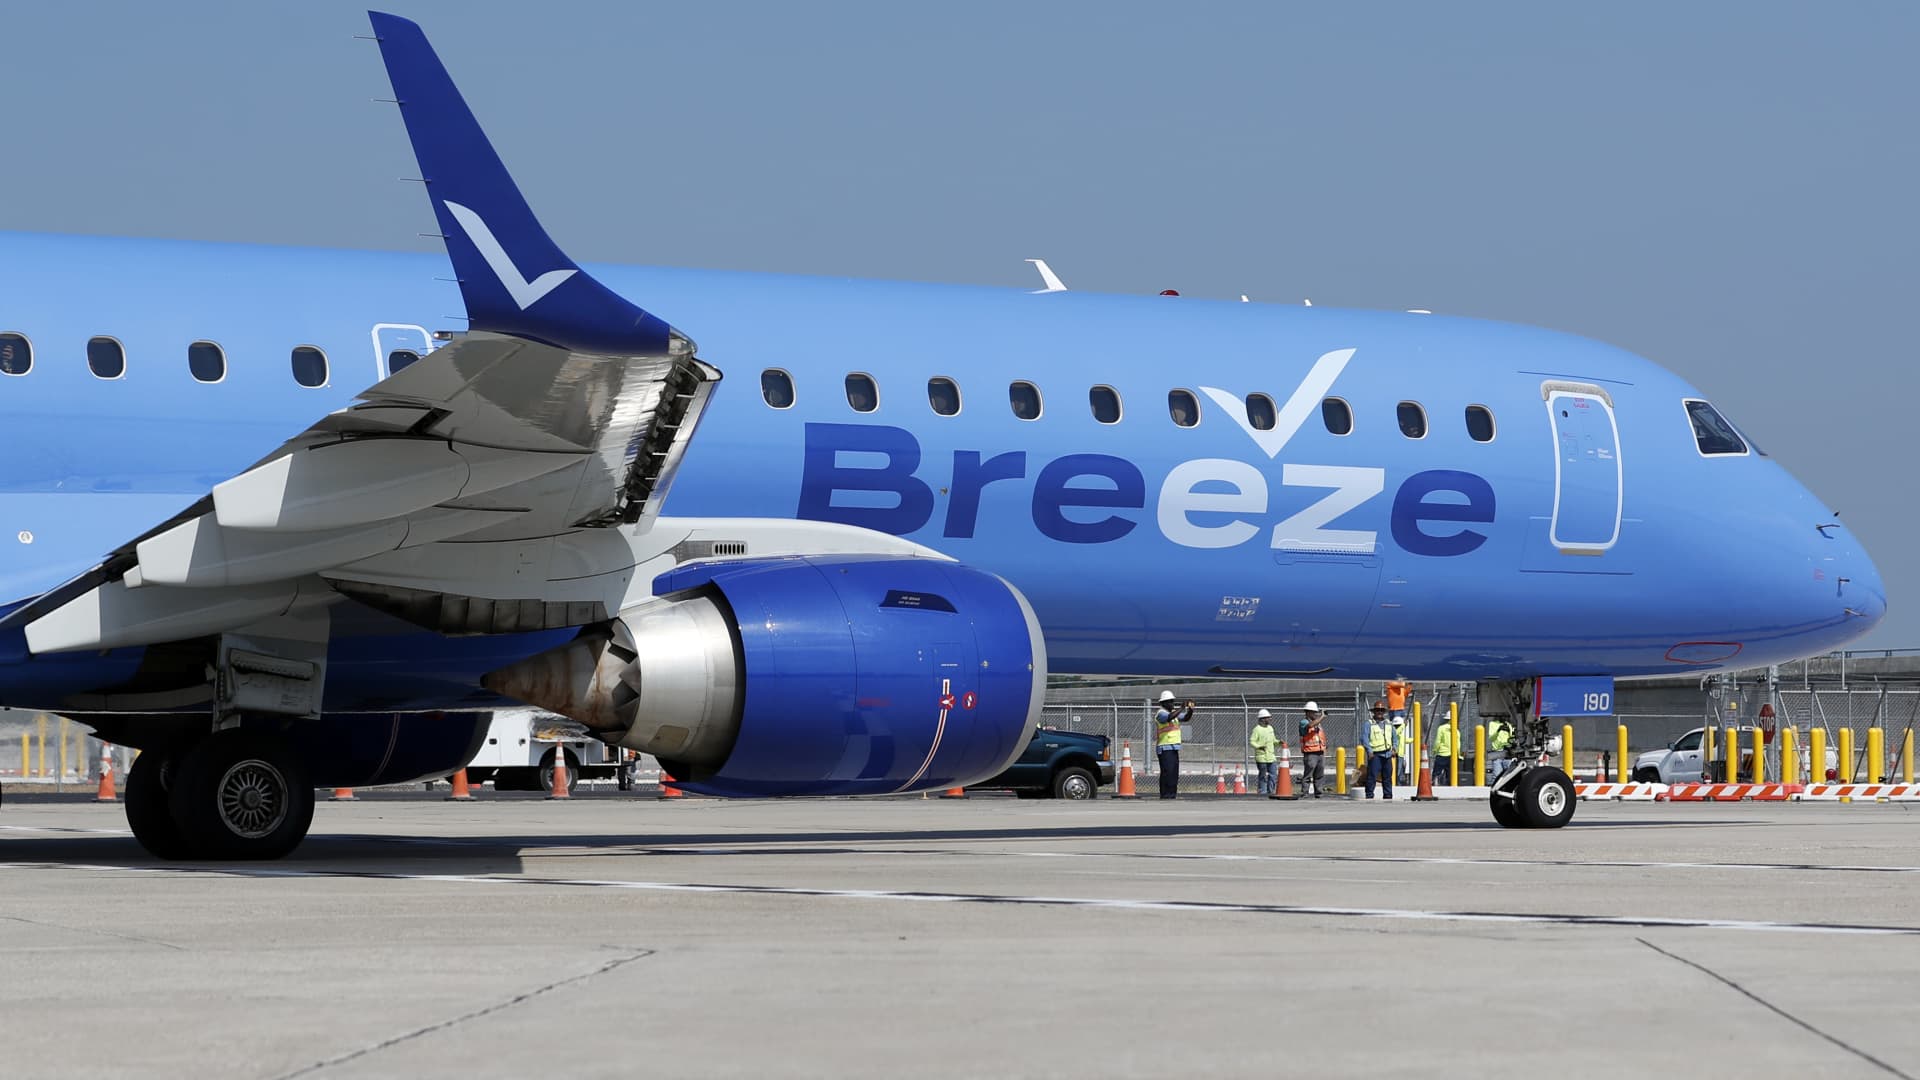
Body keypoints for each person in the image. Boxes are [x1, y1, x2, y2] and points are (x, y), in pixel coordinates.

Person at [1154, 690, 1193, 799]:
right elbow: (1169, 717)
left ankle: (1172, 794)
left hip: (1173, 747)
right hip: (1165, 748)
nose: (1172, 703)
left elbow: (1185, 718)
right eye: (1170, 701)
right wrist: (1181, 708)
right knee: (1167, 772)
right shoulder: (1160, 713)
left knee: (1173, 773)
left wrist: (1190, 710)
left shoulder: (1174, 713)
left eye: (1172, 701)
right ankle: (1165, 794)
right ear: (1163, 703)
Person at [1363, 701, 1395, 799]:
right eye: (1377, 710)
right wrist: (1369, 751)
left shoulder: (1389, 723)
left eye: (1381, 710)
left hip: (1387, 754)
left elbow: (1395, 738)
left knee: (1387, 777)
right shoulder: (1369, 724)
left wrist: (1394, 748)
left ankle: (1388, 795)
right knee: (1372, 776)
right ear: (1374, 712)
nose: (1379, 712)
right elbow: (1364, 739)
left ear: (1384, 712)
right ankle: (1369, 795)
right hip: (1375, 755)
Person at [1300, 702, 1327, 797]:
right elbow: (1310, 725)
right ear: (1308, 712)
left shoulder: (1318, 724)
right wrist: (1322, 717)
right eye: (1314, 712)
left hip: (1320, 752)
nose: (1316, 714)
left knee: (1319, 774)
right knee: (1308, 774)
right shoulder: (1304, 722)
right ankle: (1305, 792)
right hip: (1310, 753)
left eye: (1316, 712)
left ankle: (1318, 792)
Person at [1249, 710, 1278, 796]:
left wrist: (1279, 742)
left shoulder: (1270, 728)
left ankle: (1271, 791)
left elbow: (1273, 741)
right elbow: (1252, 741)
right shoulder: (1257, 729)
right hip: (1261, 757)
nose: (1269, 719)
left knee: (1273, 775)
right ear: (1262, 719)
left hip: (1271, 757)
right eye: (1267, 718)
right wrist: (1259, 747)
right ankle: (1263, 793)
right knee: (1263, 776)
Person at [1431, 711, 1455, 786]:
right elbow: (1458, 744)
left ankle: (1435, 781)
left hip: (1442, 753)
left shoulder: (1441, 728)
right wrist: (1458, 754)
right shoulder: (1455, 730)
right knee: (1450, 774)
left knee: (1436, 771)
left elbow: (1438, 741)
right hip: (1452, 754)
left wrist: (1435, 750)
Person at [1487, 716, 1514, 781]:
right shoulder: (1493, 724)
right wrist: (1498, 730)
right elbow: (1491, 738)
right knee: (1497, 775)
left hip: (1507, 753)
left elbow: (1512, 737)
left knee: (1510, 775)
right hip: (1497, 753)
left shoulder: (1509, 724)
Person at [1393, 712, 1413, 785]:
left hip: (1401, 754)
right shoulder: (1394, 731)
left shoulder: (1400, 733)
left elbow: (1405, 740)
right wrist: (1404, 725)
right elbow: (1396, 733)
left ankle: (1399, 782)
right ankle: (1398, 782)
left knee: (1401, 768)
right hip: (1397, 753)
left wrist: (1415, 739)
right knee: (1398, 769)